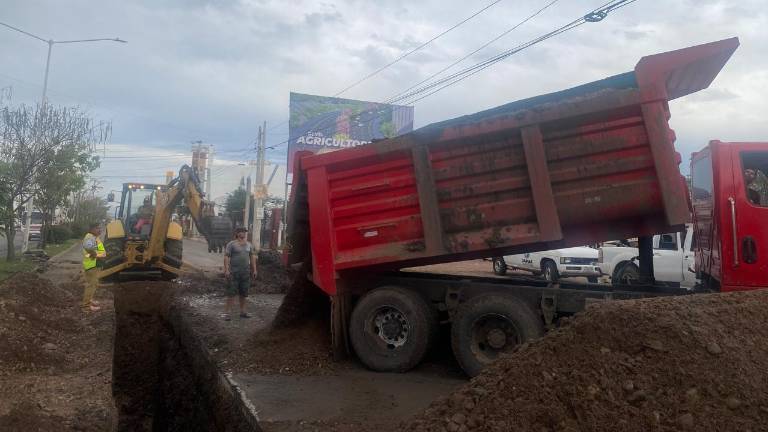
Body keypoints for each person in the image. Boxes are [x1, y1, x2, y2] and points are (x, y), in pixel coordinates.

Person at [223, 227, 258, 320]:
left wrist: (254, 270)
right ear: (237, 233)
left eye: (244, 232)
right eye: (241, 232)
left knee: (244, 293)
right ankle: (227, 313)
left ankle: (243, 312)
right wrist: (226, 270)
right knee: (231, 293)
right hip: (234, 273)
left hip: (245, 273)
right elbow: (226, 257)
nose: (243, 233)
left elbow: (252, 257)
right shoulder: (231, 244)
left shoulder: (249, 245)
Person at [82, 222, 106, 312]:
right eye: (97, 228)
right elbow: (88, 247)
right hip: (92, 265)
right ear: (92, 229)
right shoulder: (90, 237)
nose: (99, 230)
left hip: (95, 264)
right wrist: (94, 254)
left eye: (100, 228)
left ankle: (90, 300)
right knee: (90, 286)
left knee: (93, 284)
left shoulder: (94, 237)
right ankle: (86, 307)